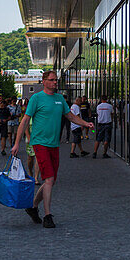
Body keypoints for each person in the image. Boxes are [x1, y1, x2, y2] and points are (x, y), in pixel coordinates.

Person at [10, 70, 93, 228]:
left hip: (54, 144)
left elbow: (70, 116)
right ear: (44, 81)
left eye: (56, 80)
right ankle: (48, 215)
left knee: (51, 180)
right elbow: (25, 120)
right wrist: (16, 143)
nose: (55, 82)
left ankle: (33, 207)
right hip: (39, 143)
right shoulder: (36, 98)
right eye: (52, 80)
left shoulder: (59, 99)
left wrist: (85, 123)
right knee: (48, 179)